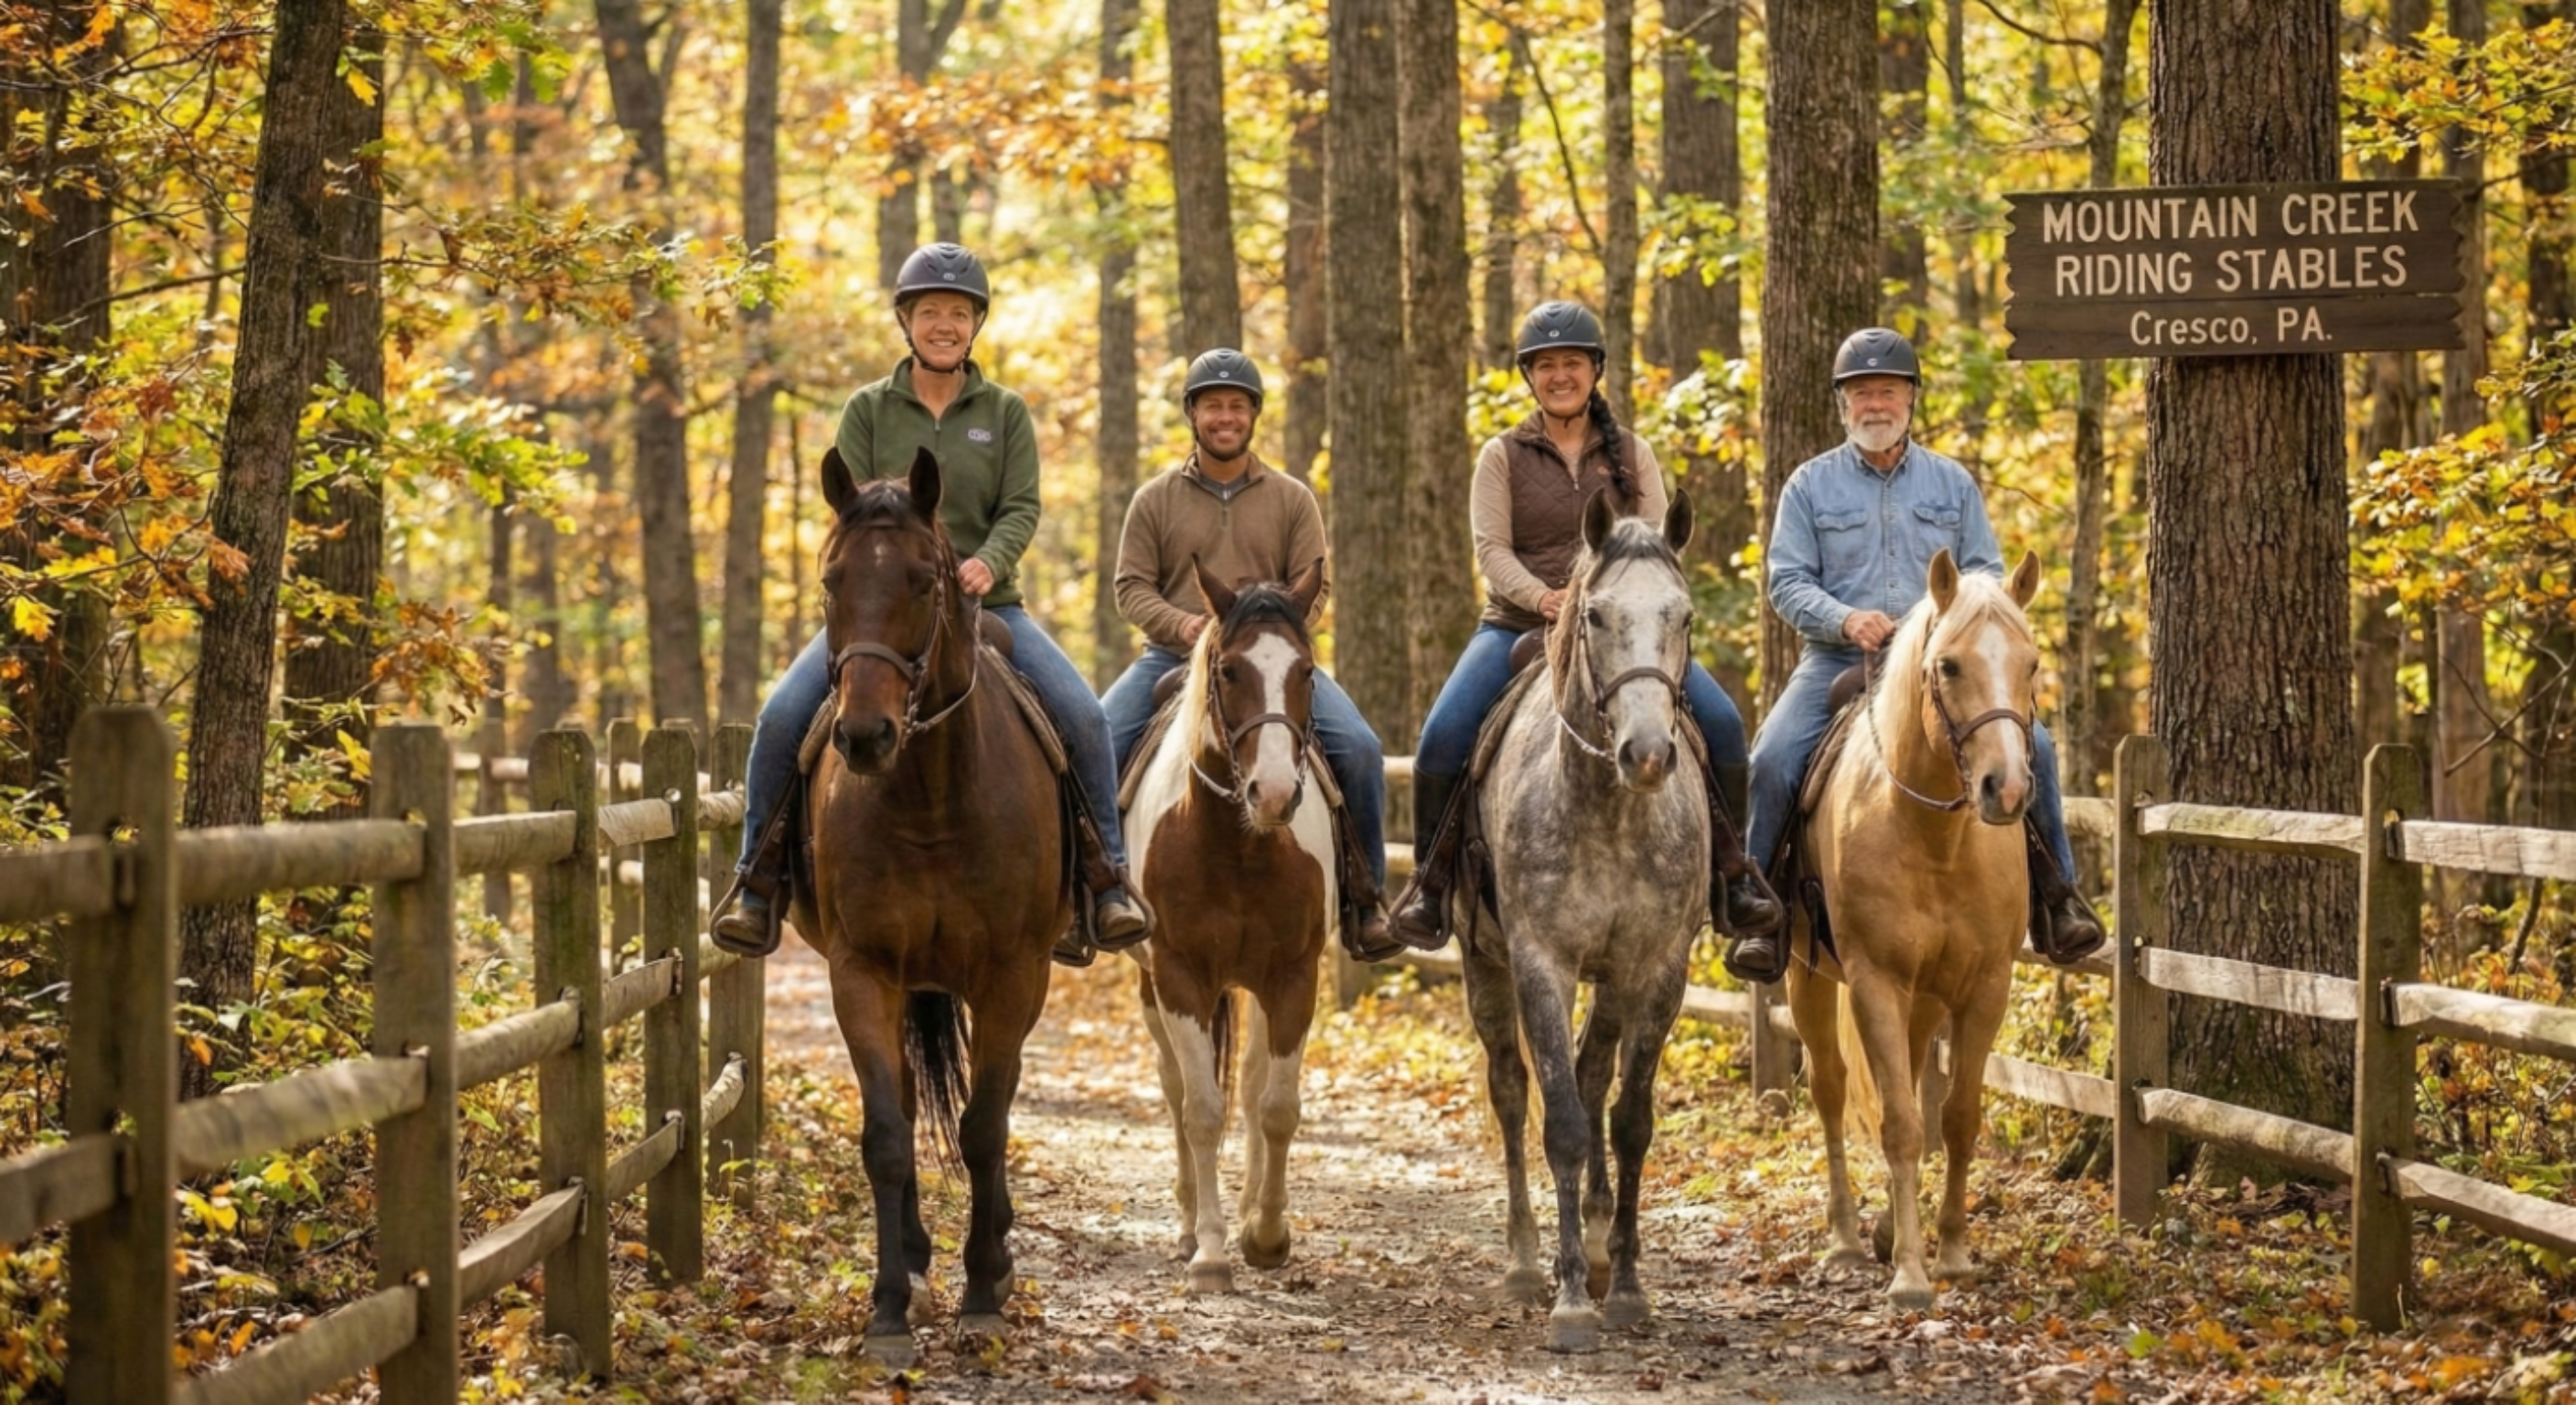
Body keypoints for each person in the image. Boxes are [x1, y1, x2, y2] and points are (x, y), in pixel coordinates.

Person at [713, 242, 1150, 961]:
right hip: (885, 613)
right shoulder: (868, 410)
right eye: (929, 313)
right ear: (906, 322)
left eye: (957, 313)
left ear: (974, 324)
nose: (943, 325)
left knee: (1081, 718)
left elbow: (1022, 505)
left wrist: (987, 562)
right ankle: (756, 883)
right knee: (781, 716)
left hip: (989, 605)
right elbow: (849, 510)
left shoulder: (1004, 412)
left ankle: (1104, 882)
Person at [1389, 301, 1785, 951]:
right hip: (1518, 624)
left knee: (1724, 726)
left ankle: (1734, 880)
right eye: (1546, 367)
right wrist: (1548, 599)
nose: (1559, 376)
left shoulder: (1633, 453)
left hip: (1627, 633)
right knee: (1442, 735)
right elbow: (1491, 550)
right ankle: (1430, 890)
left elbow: (1661, 545)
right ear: (1530, 378)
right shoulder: (1502, 456)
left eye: (1571, 363)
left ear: (1594, 370)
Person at [1727, 326, 2105, 983]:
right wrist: (1846, 618)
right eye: (1862, 393)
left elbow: (1985, 570)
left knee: (2034, 746)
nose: (1876, 404)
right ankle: (1762, 914)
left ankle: (2057, 897)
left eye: (1889, 392)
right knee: (1773, 759)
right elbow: (1785, 581)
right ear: (1843, 405)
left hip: (1943, 667)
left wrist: (1949, 619)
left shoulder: (1952, 483)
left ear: (1911, 400)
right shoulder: (1808, 486)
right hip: (1838, 660)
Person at [1100, 349, 1402, 963]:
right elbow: (1129, 587)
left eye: (1237, 405)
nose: (1225, 416)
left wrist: (1277, 638)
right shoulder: (1155, 499)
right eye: (1213, 405)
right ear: (1193, 414)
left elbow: (1315, 585)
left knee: (1362, 750)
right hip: (1173, 658)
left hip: (1269, 668)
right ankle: (1097, 892)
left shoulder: (1291, 498)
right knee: (1096, 738)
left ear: (1254, 415)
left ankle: (1366, 901)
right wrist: (1184, 624)